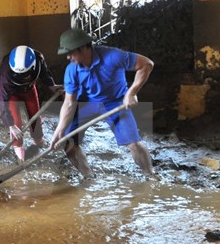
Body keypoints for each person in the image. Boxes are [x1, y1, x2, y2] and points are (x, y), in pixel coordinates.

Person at [49, 28, 155, 176]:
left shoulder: (113, 56)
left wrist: (132, 92)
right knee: (68, 142)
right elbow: (69, 103)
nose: (68, 57)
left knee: (134, 143)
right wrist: (59, 131)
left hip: (115, 102)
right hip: (86, 103)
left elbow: (147, 64)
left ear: (84, 47)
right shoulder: (71, 70)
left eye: (70, 52)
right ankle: (89, 177)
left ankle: (150, 175)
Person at [0, 45, 61, 161]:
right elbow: (3, 101)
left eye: (24, 74)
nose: (21, 77)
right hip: (11, 92)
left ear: (32, 66)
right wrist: (11, 125)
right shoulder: (5, 75)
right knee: (16, 123)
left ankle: (38, 140)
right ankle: (19, 148)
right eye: (18, 75)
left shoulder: (38, 59)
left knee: (35, 114)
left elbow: (44, 73)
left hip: (29, 88)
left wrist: (52, 86)